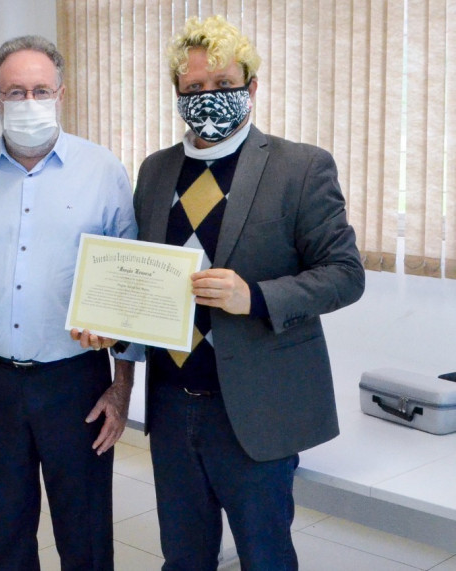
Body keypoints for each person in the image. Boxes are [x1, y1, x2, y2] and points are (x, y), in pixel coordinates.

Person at [133, 16, 365, 570]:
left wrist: (255, 297)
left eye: (223, 84)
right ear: (177, 93)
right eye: (194, 87)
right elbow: (142, 274)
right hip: (171, 401)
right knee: (183, 556)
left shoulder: (300, 167)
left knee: (265, 555)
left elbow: (345, 274)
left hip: (255, 406)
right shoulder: (155, 171)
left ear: (252, 87)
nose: (207, 97)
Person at [0, 35, 141, 570]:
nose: (29, 102)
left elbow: (128, 289)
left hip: (76, 382)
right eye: (15, 92)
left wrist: (121, 389)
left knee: (85, 532)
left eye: (40, 90)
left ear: (61, 94)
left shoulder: (103, 171)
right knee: (5, 531)